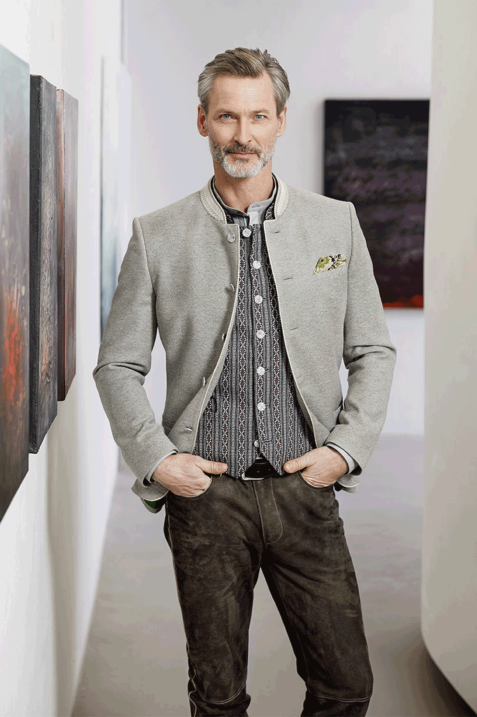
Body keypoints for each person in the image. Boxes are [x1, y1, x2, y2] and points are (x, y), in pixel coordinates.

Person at [93, 47, 396, 717]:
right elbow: (117, 365)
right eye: (227, 116)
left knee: (346, 686)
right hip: (206, 500)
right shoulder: (156, 235)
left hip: (306, 491)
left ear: (280, 120)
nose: (243, 134)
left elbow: (372, 349)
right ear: (202, 120)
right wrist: (157, 459)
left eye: (258, 116)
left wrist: (344, 449)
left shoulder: (335, 224)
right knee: (218, 697)